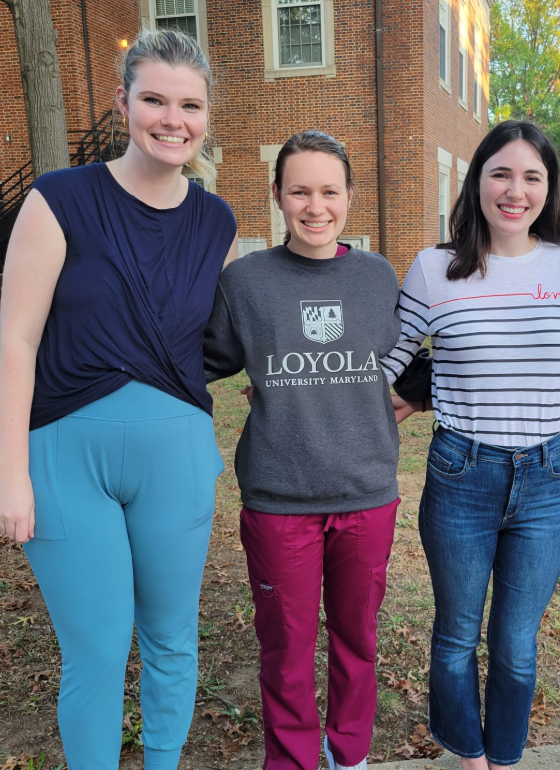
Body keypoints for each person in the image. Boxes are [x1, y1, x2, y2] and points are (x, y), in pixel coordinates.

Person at [0, 29, 237, 770]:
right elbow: (16, 344)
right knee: (95, 651)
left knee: (171, 638)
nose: (172, 120)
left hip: (177, 460)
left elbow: (203, 337)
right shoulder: (58, 199)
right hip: (64, 458)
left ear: (206, 114)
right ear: (123, 102)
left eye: (189, 105)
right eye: (155, 99)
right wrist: (9, 470)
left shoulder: (216, 221)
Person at [384, 120, 560, 770]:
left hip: (547, 474)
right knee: (455, 637)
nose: (515, 189)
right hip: (461, 473)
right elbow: (388, 363)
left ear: (548, 189)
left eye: (532, 176)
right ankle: (468, 758)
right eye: (501, 173)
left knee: (517, 646)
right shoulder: (432, 267)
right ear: (477, 181)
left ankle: (504, 761)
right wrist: (293, 396)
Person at [203, 131, 401, 770]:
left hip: (366, 494)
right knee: (285, 648)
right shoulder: (246, 283)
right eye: (299, 192)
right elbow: (199, 359)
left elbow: (417, 359)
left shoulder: (377, 278)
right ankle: (291, 761)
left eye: (329, 191)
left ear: (349, 196)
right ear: (277, 196)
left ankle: (350, 755)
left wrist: (420, 397)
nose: (315, 207)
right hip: (279, 498)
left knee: (357, 640)